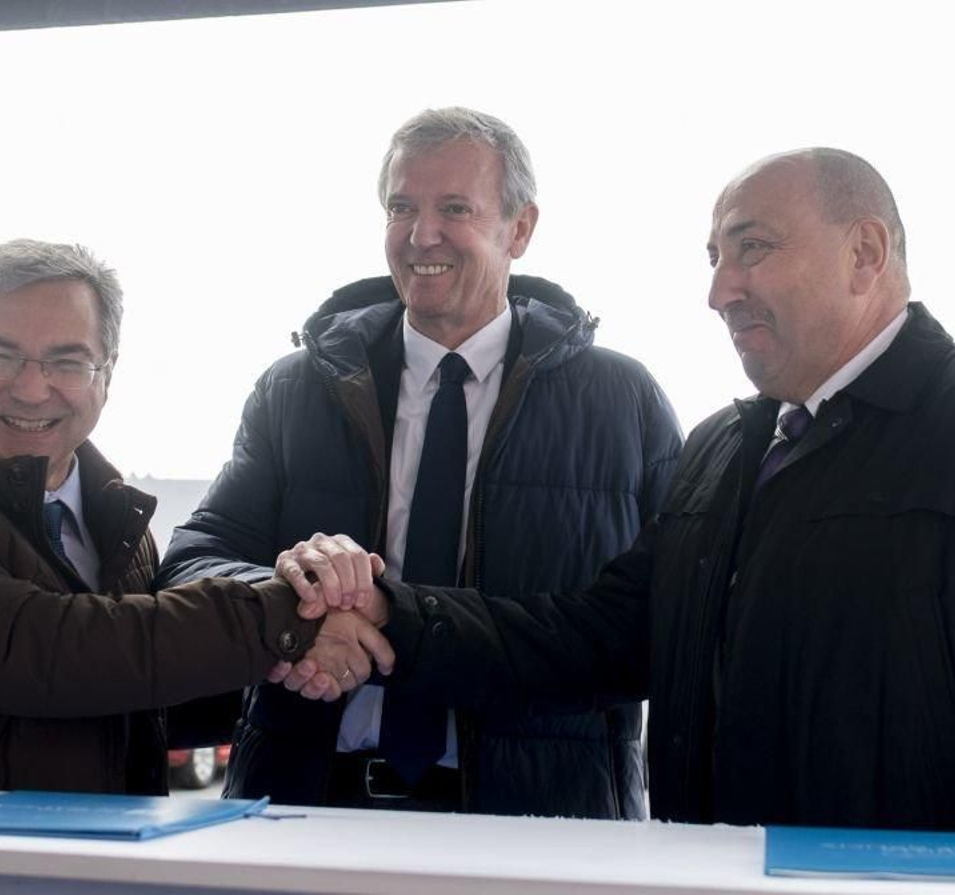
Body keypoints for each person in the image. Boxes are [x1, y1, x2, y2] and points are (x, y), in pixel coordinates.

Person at [284, 148, 955, 840]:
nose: (718, 290)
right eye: (713, 257)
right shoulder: (723, 450)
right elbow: (589, 641)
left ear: (866, 252)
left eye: (753, 249)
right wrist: (392, 612)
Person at [155, 108, 682, 817]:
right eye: (401, 207)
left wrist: (395, 615)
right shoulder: (296, 388)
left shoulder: (625, 402)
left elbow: (656, 627)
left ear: (519, 229)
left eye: (454, 209)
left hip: (539, 824)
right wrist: (292, 605)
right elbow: (192, 560)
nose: (420, 234)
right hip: (307, 805)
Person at [0, 239, 380, 794]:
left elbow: (132, 690)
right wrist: (282, 617)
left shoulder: (114, 521)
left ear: (106, 375)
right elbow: (38, 652)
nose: (32, 389)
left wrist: (289, 663)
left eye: (67, 362)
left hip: (80, 865)